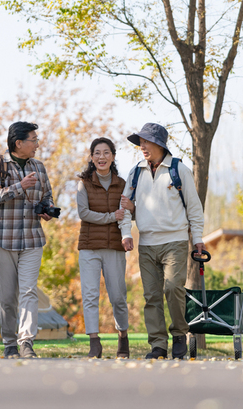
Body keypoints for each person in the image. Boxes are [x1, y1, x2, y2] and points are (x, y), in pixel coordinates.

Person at [119, 123, 205, 359]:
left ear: (159, 144)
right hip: (146, 244)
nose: (141, 146)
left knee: (173, 288)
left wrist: (198, 238)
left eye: (145, 142)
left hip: (175, 242)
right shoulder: (135, 171)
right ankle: (158, 345)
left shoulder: (178, 170)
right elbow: (124, 207)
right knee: (151, 296)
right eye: (140, 142)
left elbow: (195, 209)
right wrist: (126, 233)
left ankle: (179, 335)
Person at [0, 122, 55, 358]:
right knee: (7, 296)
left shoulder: (39, 167)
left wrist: (47, 209)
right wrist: (18, 186)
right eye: (33, 139)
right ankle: (9, 344)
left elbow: (47, 196)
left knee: (28, 291)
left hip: (33, 239)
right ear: (18, 143)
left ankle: (26, 343)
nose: (37, 144)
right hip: (4, 239)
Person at [76, 137, 130, 358]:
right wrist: (111, 216)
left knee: (117, 296)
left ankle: (123, 337)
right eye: (97, 153)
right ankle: (94, 342)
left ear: (113, 156)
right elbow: (83, 213)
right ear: (91, 158)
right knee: (90, 295)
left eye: (106, 152)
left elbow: (126, 214)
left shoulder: (122, 184)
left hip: (114, 248)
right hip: (89, 247)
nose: (101, 157)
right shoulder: (84, 183)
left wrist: (125, 227)